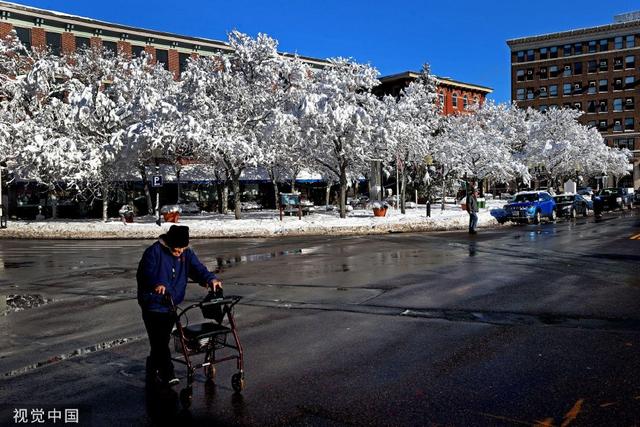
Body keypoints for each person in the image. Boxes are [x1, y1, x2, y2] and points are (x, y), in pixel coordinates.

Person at [137, 225, 222, 386]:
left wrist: (210, 279)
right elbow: (145, 274)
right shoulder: (153, 252)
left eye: (183, 249)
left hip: (171, 303)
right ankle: (167, 373)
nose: (180, 252)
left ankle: (152, 366)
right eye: (177, 249)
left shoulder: (186, 253)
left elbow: (197, 269)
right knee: (159, 341)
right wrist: (157, 283)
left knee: (161, 340)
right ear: (169, 244)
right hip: (152, 303)